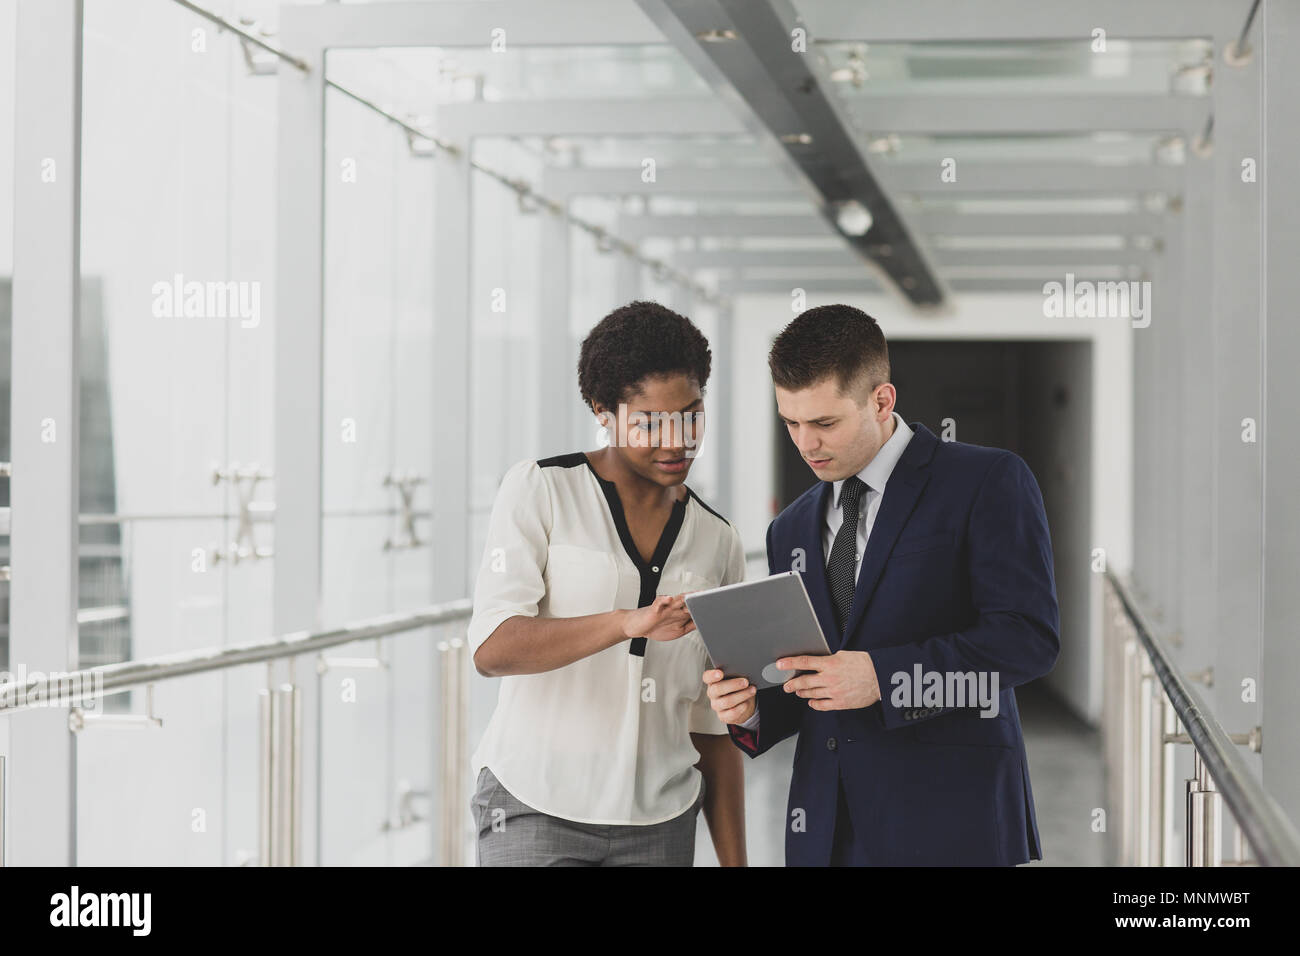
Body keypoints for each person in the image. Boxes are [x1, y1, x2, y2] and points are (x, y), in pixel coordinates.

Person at [704, 304, 1060, 866]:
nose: (805, 443)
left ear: (882, 400)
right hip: (826, 830)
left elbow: (1027, 641)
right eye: (791, 423)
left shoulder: (986, 481)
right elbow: (809, 687)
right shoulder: (790, 527)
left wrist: (886, 677)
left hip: (952, 823)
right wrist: (747, 709)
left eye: (824, 423)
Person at [468, 300, 748, 866]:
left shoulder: (718, 540)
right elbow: (493, 649)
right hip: (534, 804)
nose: (677, 441)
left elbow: (711, 728)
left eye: (691, 414)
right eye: (650, 422)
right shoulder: (541, 489)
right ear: (602, 411)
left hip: (661, 823)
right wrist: (626, 623)